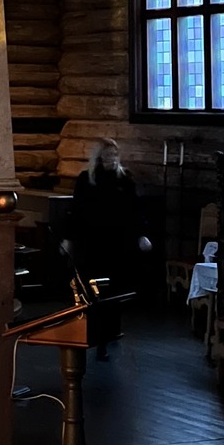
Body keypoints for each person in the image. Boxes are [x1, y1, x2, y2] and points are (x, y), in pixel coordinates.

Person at [62, 138, 152, 359]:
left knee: (114, 290)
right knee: (94, 289)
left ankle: (110, 333)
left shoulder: (125, 178)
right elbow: (76, 211)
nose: (112, 158)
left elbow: (135, 209)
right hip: (92, 242)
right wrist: (68, 239)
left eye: (115, 154)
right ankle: (93, 334)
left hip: (118, 243)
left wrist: (141, 234)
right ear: (99, 157)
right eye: (108, 155)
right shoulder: (87, 179)